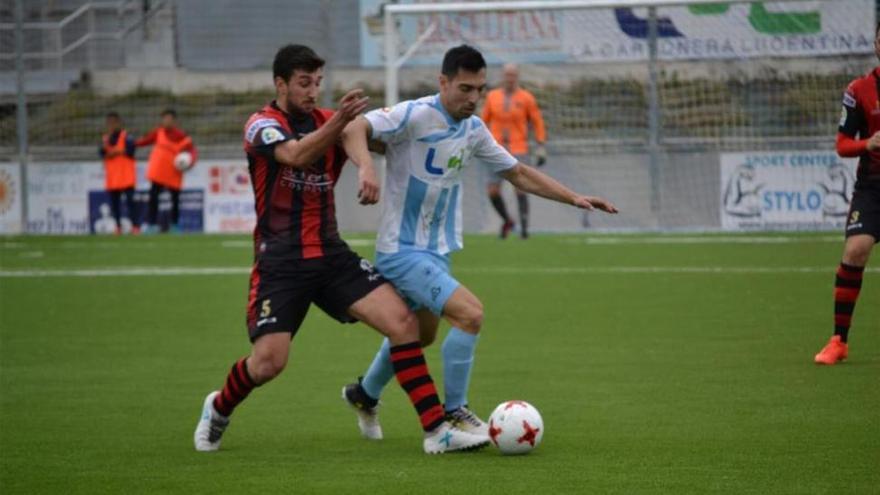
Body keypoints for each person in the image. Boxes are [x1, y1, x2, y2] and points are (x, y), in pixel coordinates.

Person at [193, 44, 489, 454]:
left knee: (404, 324)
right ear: (280, 84)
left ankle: (436, 430)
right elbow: (296, 154)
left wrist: (367, 164)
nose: (313, 91)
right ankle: (219, 407)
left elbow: (357, 135)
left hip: (331, 256)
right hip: (281, 262)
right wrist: (342, 126)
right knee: (268, 363)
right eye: (303, 83)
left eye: (317, 82)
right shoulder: (262, 124)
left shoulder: (332, 121)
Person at [340, 45, 617, 438]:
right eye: (464, 88)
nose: (473, 98)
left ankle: (364, 394)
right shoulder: (415, 114)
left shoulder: (473, 129)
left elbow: (518, 173)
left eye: (479, 90)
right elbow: (353, 128)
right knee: (470, 314)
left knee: (420, 335)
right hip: (400, 250)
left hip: (438, 250)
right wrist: (367, 166)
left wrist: (574, 198)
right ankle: (455, 412)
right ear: (443, 82)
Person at [814, 24, 880, 365]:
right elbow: (841, 145)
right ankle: (839, 340)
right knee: (855, 251)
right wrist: (866, 143)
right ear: (876, 44)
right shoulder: (859, 90)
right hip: (873, 188)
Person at [481, 63, 547, 239]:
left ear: (517, 77)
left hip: (519, 148)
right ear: (503, 77)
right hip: (495, 149)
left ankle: (524, 230)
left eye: (513, 75)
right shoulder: (492, 97)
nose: (510, 78)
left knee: (521, 188)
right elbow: (482, 122)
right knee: (493, 191)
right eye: (507, 75)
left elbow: (537, 122)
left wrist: (540, 145)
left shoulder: (526, 98)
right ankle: (508, 220)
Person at [136, 109, 198, 233]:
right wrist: (132, 143)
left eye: (169, 119)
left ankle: (175, 225)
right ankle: (152, 225)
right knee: (153, 198)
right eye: (164, 119)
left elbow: (193, 151)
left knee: (175, 200)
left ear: (174, 121)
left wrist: (191, 161)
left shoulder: (182, 136)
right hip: (158, 172)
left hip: (173, 173)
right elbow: (143, 141)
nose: (167, 121)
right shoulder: (158, 132)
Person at [99, 112, 139, 235]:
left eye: (114, 122)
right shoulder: (105, 139)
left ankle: (135, 227)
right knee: (115, 204)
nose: (112, 125)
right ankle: (118, 227)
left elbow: (131, 151)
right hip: (113, 177)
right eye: (109, 123)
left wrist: (115, 152)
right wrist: (111, 151)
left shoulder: (127, 137)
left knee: (130, 203)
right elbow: (101, 153)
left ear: (119, 123)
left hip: (126, 176)